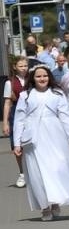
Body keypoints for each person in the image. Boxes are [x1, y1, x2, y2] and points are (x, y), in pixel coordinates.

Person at [13, 63, 69, 221]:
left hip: (55, 135)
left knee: (56, 168)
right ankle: (45, 206)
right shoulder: (25, 95)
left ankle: (55, 201)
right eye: (38, 76)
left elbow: (66, 117)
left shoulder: (57, 94)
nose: (42, 79)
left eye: (45, 76)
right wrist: (17, 143)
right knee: (37, 173)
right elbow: (19, 119)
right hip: (33, 139)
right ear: (33, 78)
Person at [4, 55, 26, 188]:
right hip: (16, 114)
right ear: (15, 67)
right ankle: (22, 173)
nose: (24, 68)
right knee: (17, 145)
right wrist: (5, 122)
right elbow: (7, 103)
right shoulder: (10, 82)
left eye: (25, 66)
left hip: (31, 114)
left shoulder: (32, 79)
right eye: (21, 66)